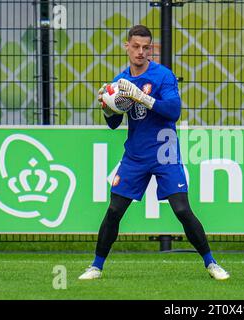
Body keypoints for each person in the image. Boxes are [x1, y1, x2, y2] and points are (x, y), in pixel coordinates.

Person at [78, 25, 229, 281]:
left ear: (151, 49)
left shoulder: (163, 76)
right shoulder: (120, 81)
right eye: (135, 46)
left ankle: (211, 263)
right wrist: (107, 106)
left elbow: (173, 111)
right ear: (127, 46)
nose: (140, 52)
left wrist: (143, 98)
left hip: (165, 153)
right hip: (135, 155)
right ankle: (96, 266)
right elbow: (114, 124)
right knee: (114, 210)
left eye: (145, 47)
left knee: (181, 209)